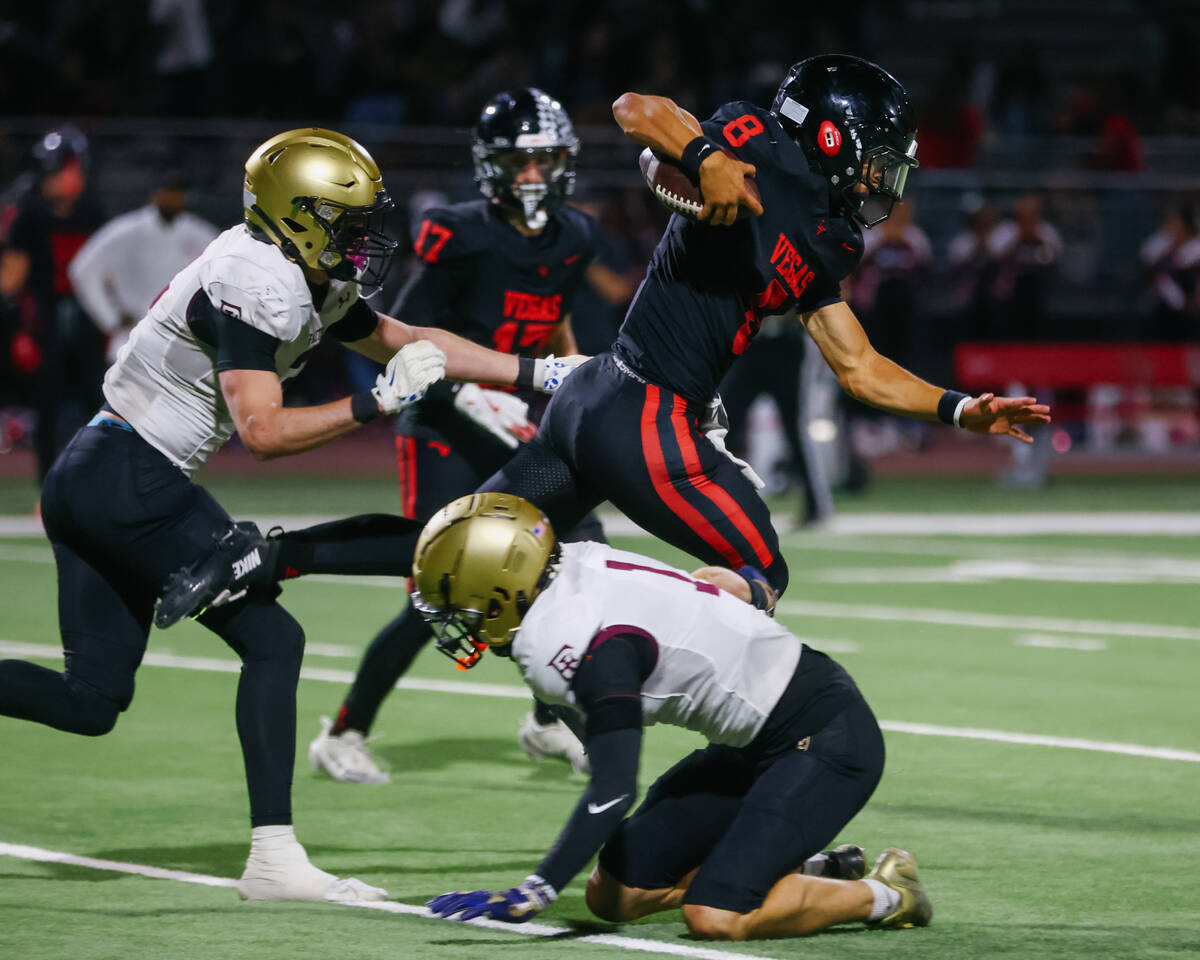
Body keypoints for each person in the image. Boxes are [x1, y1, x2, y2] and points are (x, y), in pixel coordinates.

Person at [157, 57, 1050, 670]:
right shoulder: (754, 146)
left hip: (592, 397)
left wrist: (960, 408)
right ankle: (644, 681)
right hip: (653, 416)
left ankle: (267, 557)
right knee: (762, 573)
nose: (884, 182)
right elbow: (637, 112)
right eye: (879, 162)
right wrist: (702, 160)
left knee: (463, 539)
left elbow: (857, 365)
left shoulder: (823, 239)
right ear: (829, 139)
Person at [0, 128, 581, 903]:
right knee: (275, 637)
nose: (365, 239)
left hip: (94, 471)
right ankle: (273, 858)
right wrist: (377, 402)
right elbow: (265, 433)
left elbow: (408, 340)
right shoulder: (255, 275)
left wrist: (539, 370)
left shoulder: (294, 268)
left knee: (92, 702)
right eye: (348, 221)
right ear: (297, 215)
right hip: (128, 476)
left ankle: (392, 555)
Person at [416, 492, 930, 939]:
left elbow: (614, 788)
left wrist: (537, 889)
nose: (462, 623)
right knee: (614, 895)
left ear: (503, 589)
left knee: (716, 915)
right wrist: (753, 591)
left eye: (462, 606)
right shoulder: (570, 566)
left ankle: (886, 894)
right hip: (748, 744)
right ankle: (814, 870)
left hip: (824, 738)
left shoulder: (582, 640)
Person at [307, 89, 611, 785]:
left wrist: (562, 387)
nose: (533, 176)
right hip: (442, 418)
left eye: (545, 161)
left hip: (515, 421)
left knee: (575, 555)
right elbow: (400, 341)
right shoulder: (459, 231)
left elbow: (555, 325)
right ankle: (346, 732)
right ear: (490, 166)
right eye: (519, 162)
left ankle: (544, 719)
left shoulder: (578, 237)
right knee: (444, 586)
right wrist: (471, 389)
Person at [0, 125, 107, 487]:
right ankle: (49, 488)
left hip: (91, 317)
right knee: (48, 406)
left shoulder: (94, 211)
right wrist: (18, 327)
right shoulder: (29, 214)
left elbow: (110, 271)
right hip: (45, 319)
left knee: (100, 402)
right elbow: (10, 281)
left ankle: (98, 483)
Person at [68, 173, 219, 366]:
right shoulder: (128, 231)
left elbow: (227, 271)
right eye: (168, 192)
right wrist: (111, 317)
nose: (173, 199)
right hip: (131, 339)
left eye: (177, 193)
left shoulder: (197, 233)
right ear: (155, 194)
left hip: (180, 344)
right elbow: (83, 269)